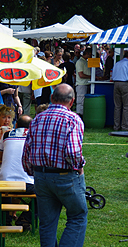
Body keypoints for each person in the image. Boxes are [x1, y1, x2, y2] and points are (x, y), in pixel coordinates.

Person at [22, 84, 87, 247]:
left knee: (47, 223)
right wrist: (79, 166)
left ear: (52, 98)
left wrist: (32, 171)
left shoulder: (37, 119)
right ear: (72, 102)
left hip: (41, 176)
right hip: (65, 176)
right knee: (78, 216)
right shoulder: (73, 119)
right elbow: (73, 153)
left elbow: (26, 152)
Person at [0, 115, 35, 230]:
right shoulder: (35, 136)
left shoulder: (7, 135)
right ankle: (25, 218)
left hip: (5, 182)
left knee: (6, 185)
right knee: (47, 193)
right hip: (28, 183)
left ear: (16, 125)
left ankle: (5, 220)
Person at [112, 51, 128, 131]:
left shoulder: (117, 63)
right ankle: (125, 126)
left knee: (117, 106)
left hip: (116, 84)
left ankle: (116, 126)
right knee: (126, 106)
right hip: (125, 84)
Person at [75, 48, 92, 118]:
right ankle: (79, 116)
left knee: (84, 102)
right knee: (80, 102)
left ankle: (83, 116)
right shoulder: (79, 62)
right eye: (90, 54)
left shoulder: (86, 61)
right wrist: (91, 77)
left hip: (86, 84)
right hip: (81, 85)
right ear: (87, 54)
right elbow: (81, 75)